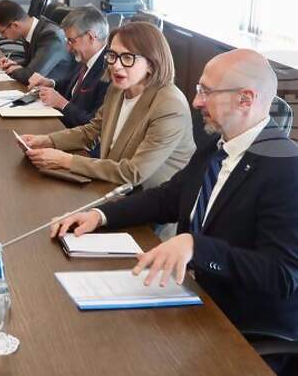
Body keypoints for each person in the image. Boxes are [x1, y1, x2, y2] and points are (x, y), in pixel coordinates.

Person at [50, 49, 298, 376]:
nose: (196, 101)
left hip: (239, 327)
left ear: (245, 99)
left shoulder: (287, 169)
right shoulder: (217, 144)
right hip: (189, 296)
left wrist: (196, 247)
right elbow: (168, 198)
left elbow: (282, 275)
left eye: (207, 92)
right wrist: (100, 215)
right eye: (198, 89)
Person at [21, 21, 195, 190]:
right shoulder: (117, 89)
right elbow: (93, 131)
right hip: (112, 184)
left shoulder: (170, 107)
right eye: (113, 55)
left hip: (149, 199)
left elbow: (134, 172)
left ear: (151, 64)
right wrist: (47, 140)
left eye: (127, 57)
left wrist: (65, 160)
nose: (115, 66)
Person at [27, 6, 110, 128]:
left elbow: (94, 124)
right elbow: (71, 84)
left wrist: (62, 104)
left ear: (90, 37)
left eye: (71, 41)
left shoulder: (109, 71)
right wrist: (50, 83)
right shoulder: (86, 57)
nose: (68, 48)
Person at [0, 0, 74, 86]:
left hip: (57, 90)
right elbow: (32, 61)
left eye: (2, 32)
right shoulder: (31, 30)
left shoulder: (51, 36)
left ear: (15, 25)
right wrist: (14, 63)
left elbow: (31, 76)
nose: (3, 36)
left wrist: (11, 71)